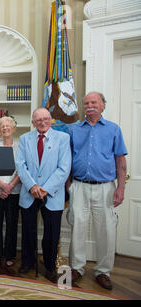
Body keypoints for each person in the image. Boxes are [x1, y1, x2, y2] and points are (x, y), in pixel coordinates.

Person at [67, 92, 127, 290]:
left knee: (107, 231)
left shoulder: (113, 129)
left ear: (103, 105)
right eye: (86, 103)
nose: (90, 105)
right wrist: (68, 185)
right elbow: (67, 159)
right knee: (77, 228)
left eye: (94, 102)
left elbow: (120, 160)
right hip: (79, 186)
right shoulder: (73, 129)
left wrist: (121, 188)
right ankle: (76, 268)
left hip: (105, 188)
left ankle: (103, 271)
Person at [16, 108, 71, 283]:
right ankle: (28, 262)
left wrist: (45, 189)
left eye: (45, 118)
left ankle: (49, 266)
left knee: (51, 234)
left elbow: (64, 168)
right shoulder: (25, 139)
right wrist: (32, 186)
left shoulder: (63, 138)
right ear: (33, 122)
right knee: (28, 230)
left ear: (51, 120)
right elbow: (20, 165)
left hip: (52, 194)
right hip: (29, 192)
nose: (42, 122)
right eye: (38, 119)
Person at [0, 116, 21, 269]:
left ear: (13, 128)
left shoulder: (21, 147)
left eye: (8, 125)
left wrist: (10, 186)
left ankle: (10, 254)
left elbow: (23, 169)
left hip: (14, 191)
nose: (5, 128)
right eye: (2, 126)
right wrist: (1, 184)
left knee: (12, 224)